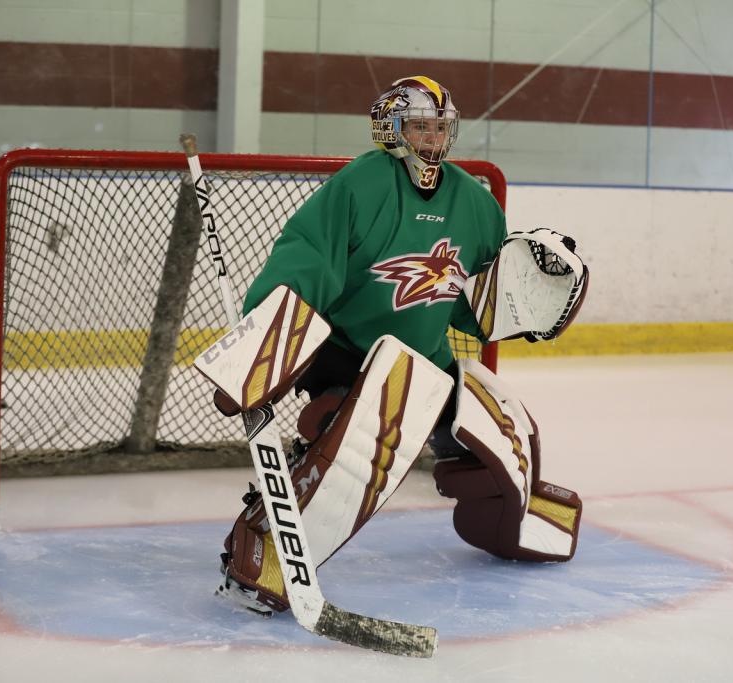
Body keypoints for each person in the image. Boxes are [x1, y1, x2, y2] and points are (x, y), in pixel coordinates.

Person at [197, 76, 588, 616]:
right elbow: (309, 256)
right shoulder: (360, 185)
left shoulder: (476, 204)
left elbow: (475, 303)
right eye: (419, 126)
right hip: (347, 347)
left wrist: (524, 299)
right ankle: (263, 546)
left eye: (440, 127)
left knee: (501, 435)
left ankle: (514, 524)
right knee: (356, 434)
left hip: (426, 357)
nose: (432, 138)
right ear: (392, 128)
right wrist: (270, 336)